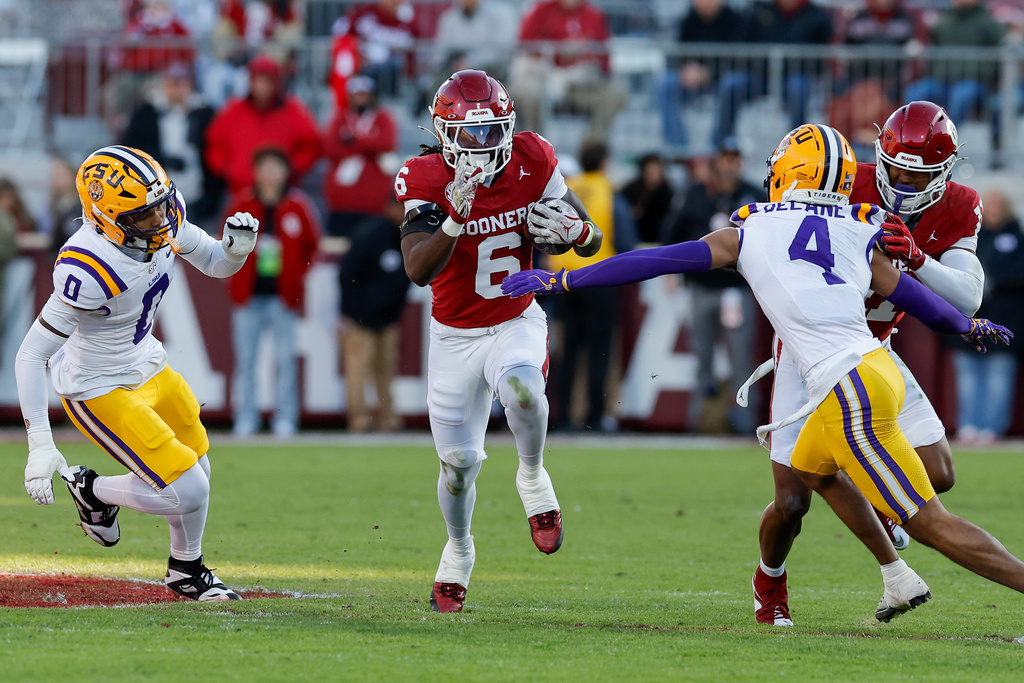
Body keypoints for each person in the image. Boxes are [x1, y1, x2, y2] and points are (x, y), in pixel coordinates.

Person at [503, 123, 1024, 627]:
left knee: (930, 519)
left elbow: (657, 261)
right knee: (808, 479)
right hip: (872, 366)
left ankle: (915, 554)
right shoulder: (859, 226)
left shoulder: (750, 230)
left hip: (846, 384)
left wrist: (562, 279)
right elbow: (916, 299)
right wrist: (965, 325)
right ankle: (873, 574)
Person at [742, 101, 987, 626]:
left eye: (915, 173)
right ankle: (770, 578)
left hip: (875, 348)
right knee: (791, 504)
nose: (899, 180)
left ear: (944, 172)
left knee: (938, 472)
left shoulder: (961, 204)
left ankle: (882, 515)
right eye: (894, 167)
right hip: (807, 355)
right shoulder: (846, 180)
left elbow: (967, 297)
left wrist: (917, 257)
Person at [395, 69, 604, 613]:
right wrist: (454, 221)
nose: (486, 145)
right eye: (472, 135)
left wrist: (576, 233)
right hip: (454, 336)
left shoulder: (533, 158)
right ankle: (459, 549)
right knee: (458, 466)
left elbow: (590, 236)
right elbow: (418, 269)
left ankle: (533, 477)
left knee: (523, 391)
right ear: (445, 134)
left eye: (494, 131)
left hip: (515, 318)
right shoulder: (422, 177)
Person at [15, 145, 259, 601]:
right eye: (146, 216)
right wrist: (40, 446)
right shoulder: (88, 267)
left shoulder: (161, 212)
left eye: (162, 207)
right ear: (106, 217)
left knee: (199, 469)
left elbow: (213, 262)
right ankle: (94, 490)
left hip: (148, 362)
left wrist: (235, 252)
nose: (162, 222)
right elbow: (30, 355)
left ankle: (185, 568)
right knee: (189, 489)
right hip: (98, 385)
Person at [662, 139, 764, 434]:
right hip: (702, 287)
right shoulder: (694, 195)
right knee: (702, 355)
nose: (731, 165)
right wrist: (671, 272)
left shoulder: (753, 196)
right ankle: (700, 421)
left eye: (735, 160)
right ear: (716, 162)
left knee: (740, 355)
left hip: (735, 288)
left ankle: (747, 424)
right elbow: (673, 231)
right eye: (726, 159)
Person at [224, 147, 321, 438]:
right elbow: (225, 243)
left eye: (275, 167)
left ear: (285, 172)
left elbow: (312, 246)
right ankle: (245, 417)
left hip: (283, 298)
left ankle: (285, 418)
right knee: (246, 361)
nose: (269, 174)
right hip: (247, 296)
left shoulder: (298, 206)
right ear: (255, 172)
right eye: (264, 167)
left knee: (285, 361)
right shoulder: (241, 204)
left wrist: (297, 278)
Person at [547, 140, 637, 431]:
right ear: (603, 163)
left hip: (565, 279)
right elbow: (625, 241)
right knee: (600, 350)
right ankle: (595, 416)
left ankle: (562, 416)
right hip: (600, 278)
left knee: (569, 351)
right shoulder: (608, 192)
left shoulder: (568, 191)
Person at [952, 188, 1024, 443]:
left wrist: (995, 283)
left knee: (998, 377)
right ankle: (968, 426)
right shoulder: (969, 238)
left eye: (998, 204)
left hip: (1005, 321)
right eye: (989, 205)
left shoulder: (1018, 237)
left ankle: (991, 429)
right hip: (969, 323)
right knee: (967, 379)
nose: (994, 210)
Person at [713, 0, 833, 147]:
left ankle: (798, 147)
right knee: (732, 83)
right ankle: (722, 145)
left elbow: (821, 59)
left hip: (793, 78)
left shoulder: (817, 16)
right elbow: (741, 45)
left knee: (799, 88)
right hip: (758, 76)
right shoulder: (758, 11)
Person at [339, 200, 411, 433]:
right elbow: (347, 274)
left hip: (388, 318)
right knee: (358, 369)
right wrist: (352, 313)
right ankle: (359, 420)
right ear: (390, 207)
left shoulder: (408, 238)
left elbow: (408, 279)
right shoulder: (369, 235)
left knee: (386, 370)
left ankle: (388, 419)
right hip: (360, 318)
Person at [204, 55, 320, 199]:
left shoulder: (293, 111)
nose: (262, 87)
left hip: (281, 195)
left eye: (267, 81)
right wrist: (227, 169)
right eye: (258, 80)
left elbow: (312, 145)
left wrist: (292, 169)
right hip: (240, 192)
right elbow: (214, 145)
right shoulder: (234, 110)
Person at [121, 62, 222, 224]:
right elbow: (132, 147)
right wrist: (161, 159)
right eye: (172, 84)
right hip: (156, 193)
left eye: (181, 85)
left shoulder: (204, 113)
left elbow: (216, 146)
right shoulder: (146, 112)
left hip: (195, 192)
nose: (177, 91)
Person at [511, 0, 626, 142]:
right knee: (528, 92)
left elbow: (606, 60)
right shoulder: (541, 10)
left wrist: (587, 55)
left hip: (580, 84)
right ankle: (536, 150)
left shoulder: (594, 14)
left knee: (616, 93)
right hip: (545, 79)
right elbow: (524, 47)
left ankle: (590, 152)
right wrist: (558, 51)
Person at [656, 0, 742, 156]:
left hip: (721, 80)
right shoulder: (688, 20)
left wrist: (709, 73)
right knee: (665, 84)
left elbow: (739, 58)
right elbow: (677, 54)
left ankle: (719, 147)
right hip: (692, 79)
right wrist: (685, 70)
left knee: (732, 84)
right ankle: (679, 151)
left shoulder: (735, 20)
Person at [904, 0, 1005, 128]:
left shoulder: (988, 22)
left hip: (974, 81)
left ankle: (947, 139)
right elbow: (928, 42)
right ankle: (912, 136)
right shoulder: (943, 22)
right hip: (942, 79)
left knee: (960, 96)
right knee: (916, 92)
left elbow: (1004, 45)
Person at [322, 75, 399, 239]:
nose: (360, 98)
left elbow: (387, 143)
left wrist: (353, 141)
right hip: (342, 202)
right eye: (356, 94)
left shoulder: (383, 118)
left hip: (375, 202)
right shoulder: (341, 119)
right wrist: (370, 147)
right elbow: (330, 148)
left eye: (364, 94)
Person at [333, 0, 418, 98]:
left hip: (391, 71)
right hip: (363, 67)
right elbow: (344, 35)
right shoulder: (366, 13)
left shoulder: (407, 20)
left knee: (393, 65)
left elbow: (413, 45)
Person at [433, 0, 519, 82]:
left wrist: (469, 63)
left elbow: (498, 51)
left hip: (487, 69)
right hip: (454, 68)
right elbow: (440, 51)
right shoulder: (449, 19)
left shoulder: (496, 16)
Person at [621, 154, 673, 245]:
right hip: (635, 242)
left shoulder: (668, 193)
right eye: (650, 172)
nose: (654, 176)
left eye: (657, 172)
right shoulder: (631, 190)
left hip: (660, 243)